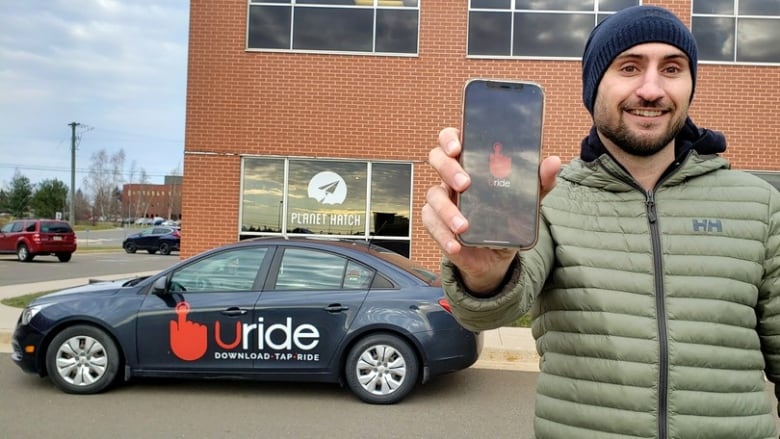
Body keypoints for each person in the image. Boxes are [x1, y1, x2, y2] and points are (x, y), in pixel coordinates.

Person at [422, 5, 780, 439]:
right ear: (593, 88)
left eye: (672, 68)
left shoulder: (759, 204)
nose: (652, 89)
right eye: (629, 67)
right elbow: (490, 311)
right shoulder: (549, 202)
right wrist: (483, 274)